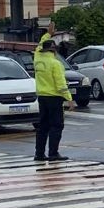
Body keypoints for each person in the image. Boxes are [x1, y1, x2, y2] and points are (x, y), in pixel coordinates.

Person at [34, 33, 72, 162]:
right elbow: (60, 84)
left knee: (43, 126)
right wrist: (69, 98)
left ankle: (39, 154)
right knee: (56, 126)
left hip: (42, 97)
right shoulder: (56, 64)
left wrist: (47, 33)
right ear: (54, 50)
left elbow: (39, 45)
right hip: (54, 98)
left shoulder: (37, 59)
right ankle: (53, 153)